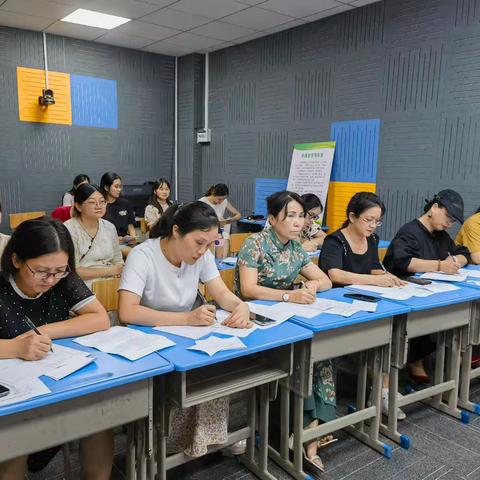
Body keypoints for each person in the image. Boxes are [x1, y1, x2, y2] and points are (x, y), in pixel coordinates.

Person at [118, 201, 251, 457]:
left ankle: (207, 437)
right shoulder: (143, 256)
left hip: (185, 336)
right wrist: (186, 318)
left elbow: (222, 294)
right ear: (176, 231)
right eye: (199, 242)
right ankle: (165, 445)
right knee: (185, 384)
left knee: (216, 371)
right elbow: (128, 311)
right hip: (149, 342)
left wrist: (240, 306)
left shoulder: (201, 256)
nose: (203, 251)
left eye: (209, 244)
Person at [0, 217, 112, 479]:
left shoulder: (62, 277)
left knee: (100, 419)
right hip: (13, 395)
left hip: (56, 380)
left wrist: (45, 331)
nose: (51, 280)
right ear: (16, 260)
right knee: (13, 439)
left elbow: (99, 318)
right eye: (41, 271)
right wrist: (15, 347)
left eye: (59, 271)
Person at [235, 191, 332, 472]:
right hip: (254, 320)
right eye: (291, 215)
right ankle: (297, 432)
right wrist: (290, 296)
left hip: (287, 316)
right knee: (301, 359)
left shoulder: (296, 247)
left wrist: (310, 287)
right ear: (272, 219)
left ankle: (309, 432)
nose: (298, 222)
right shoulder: (255, 244)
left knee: (319, 356)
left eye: (301, 216)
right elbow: (249, 290)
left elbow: (323, 280)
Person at [320, 192, 406, 419]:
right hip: (337, 307)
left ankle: (382, 391)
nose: (373, 226)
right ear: (352, 216)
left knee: (392, 330)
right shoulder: (335, 241)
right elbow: (335, 274)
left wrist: (389, 278)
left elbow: (373, 267)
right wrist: (375, 280)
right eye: (369, 220)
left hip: (365, 301)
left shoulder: (373, 240)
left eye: (377, 221)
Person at [384, 189, 470, 384]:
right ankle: (407, 362)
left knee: (449, 322)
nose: (449, 223)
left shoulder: (440, 235)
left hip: (432, 293)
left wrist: (455, 261)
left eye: (453, 221)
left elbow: (464, 252)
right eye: (448, 217)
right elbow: (402, 262)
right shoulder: (410, 232)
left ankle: (417, 359)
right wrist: (440, 265)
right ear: (434, 207)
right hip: (404, 294)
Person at [64, 184, 123, 287]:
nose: (98, 206)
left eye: (102, 201)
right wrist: (110, 271)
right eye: (92, 202)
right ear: (78, 206)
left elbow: (118, 260)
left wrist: (117, 271)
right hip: (82, 285)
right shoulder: (69, 229)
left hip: (111, 282)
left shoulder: (109, 227)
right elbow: (73, 271)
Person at [199, 184, 241, 256]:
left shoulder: (224, 202)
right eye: (219, 199)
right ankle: (215, 260)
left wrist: (228, 221)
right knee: (218, 238)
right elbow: (198, 221)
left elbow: (238, 215)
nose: (221, 201)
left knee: (224, 238)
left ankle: (221, 261)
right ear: (213, 193)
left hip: (219, 230)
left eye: (223, 199)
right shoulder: (202, 202)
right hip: (206, 231)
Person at [100, 172, 137, 255]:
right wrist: (116, 239)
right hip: (108, 244)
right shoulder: (100, 206)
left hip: (126, 242)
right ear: (106, 187)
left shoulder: (125, 203)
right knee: (132, 253)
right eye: (116, 187)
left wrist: (133, 238)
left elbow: (130, 226)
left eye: (120, 186)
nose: (119, 189)